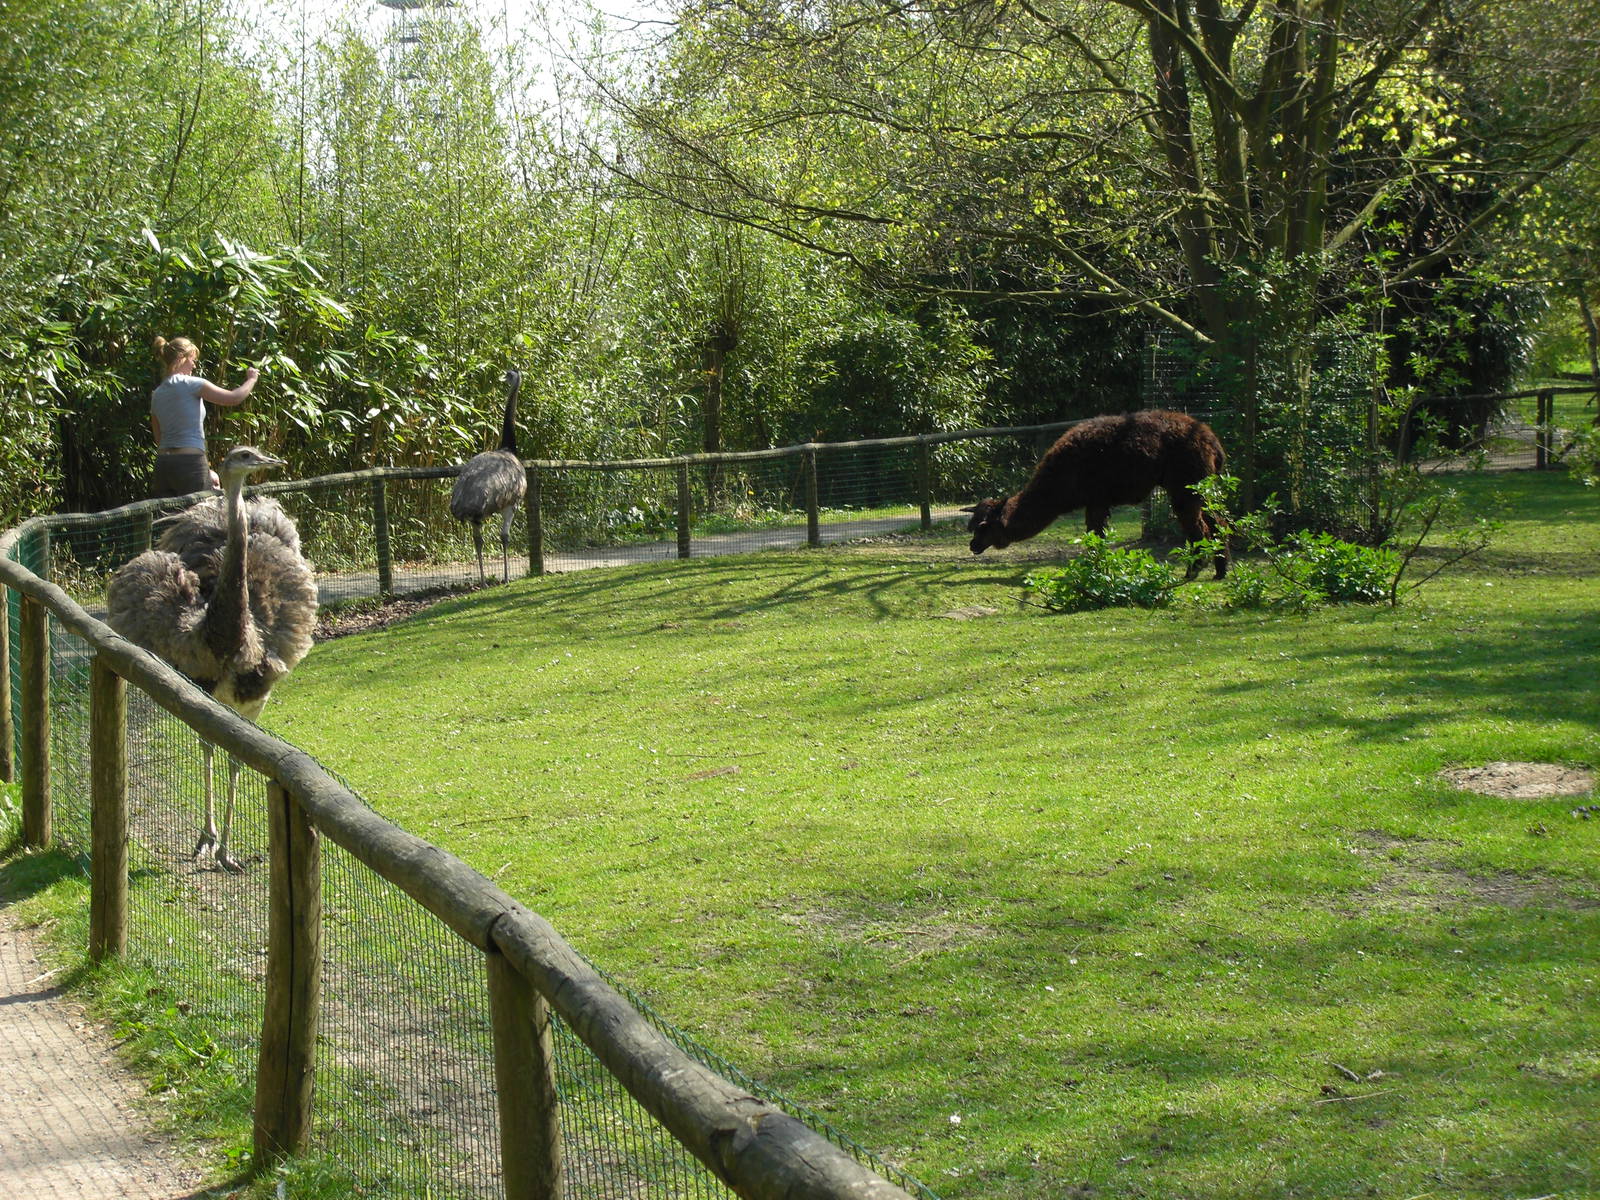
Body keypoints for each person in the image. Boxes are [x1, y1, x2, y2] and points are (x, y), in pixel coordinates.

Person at [149, 336, 260, 498]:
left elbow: (159, 439)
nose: (194, 365)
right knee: (198, 518)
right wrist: (251, 379)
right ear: (181, 358)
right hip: (190, 463)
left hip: (163, 465)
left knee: (170, 520)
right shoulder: (192, 384)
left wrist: (207, 471)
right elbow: (233, 398)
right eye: (192, 359)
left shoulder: (157, 394)